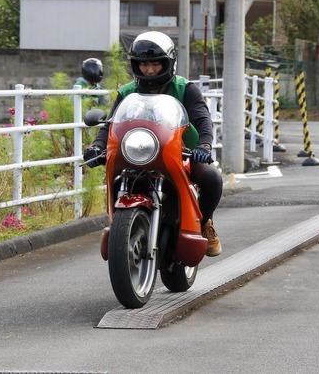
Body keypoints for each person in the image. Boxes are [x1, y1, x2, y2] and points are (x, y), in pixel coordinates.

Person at [83, 31, 223, 256]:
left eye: (156, 64)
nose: (149, 70)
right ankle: (121, 225)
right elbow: (109, 124)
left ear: (168, 63)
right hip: (136, 151)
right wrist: (97, 147)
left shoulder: (185, 88)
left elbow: (202, 119)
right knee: (116, 176)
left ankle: (205, 222)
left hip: (182, 152)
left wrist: (204, 146)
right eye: (143, 64)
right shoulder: (127, 92)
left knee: (212, 178)